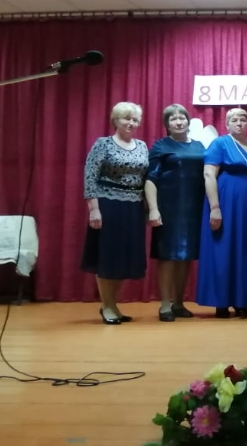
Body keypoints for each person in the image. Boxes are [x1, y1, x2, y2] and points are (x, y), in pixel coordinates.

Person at [81, 101, 149, 325]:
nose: (131, 123)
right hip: (108, 205)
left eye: (135, 119)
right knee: (107, 257)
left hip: (133, 207)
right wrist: (94, 209)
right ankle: (107, 306)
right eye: (126, 118)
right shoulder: (103, 144)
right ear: (116, 120)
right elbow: (90, 176)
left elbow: (146, 179)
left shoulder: (142, 146)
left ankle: (112, 305)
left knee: (123, 259)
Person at [196, 108, 247, 318]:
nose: (239, 123)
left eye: (243, 119)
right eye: (234, 120)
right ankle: (222, 302)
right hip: (227, 201)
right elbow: (209, 174)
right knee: (224, 249)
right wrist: (215, 207)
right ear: (227, 124)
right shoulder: (220, 144)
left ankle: (243, 301)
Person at [144, 104, 206, 322]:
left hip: (194, 209)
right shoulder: (161, 146)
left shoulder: (199, 146)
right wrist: (153, 209)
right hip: (169, 208)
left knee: (185, 257)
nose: (178, 122)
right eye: (173, 119)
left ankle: (179, 303)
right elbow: (151, 179)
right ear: (167, 124)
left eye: (182, 118)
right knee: (167, 257)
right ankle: (165, 304)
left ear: (188, 121)